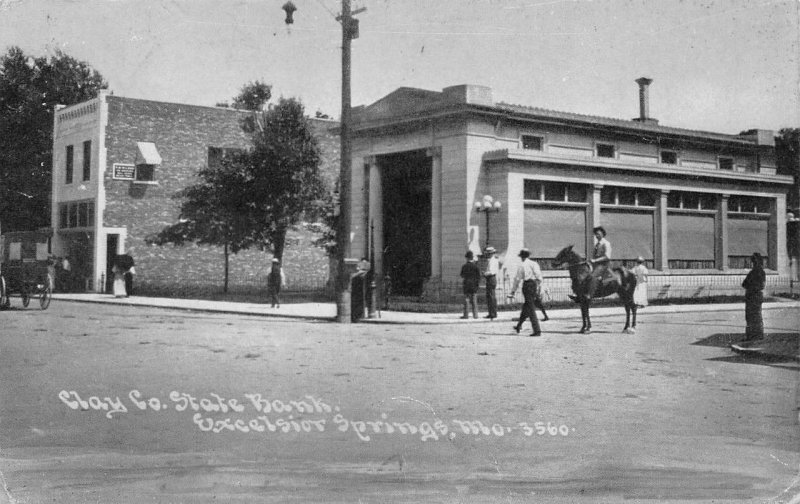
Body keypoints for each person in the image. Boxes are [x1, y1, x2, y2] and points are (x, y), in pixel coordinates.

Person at [508, 248, 543, 336]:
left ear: (521, 257)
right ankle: (519, 325)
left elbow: (517, 279)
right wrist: (539, 287)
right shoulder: (534, 263)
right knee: (526, 306)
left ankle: (537, 330)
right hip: (534, 284)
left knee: (530, 308)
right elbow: (539, 276)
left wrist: (513, 291)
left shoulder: (522, 265)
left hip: (527, 285)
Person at [741, 252, 766, 342]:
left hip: (753, 296)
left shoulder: (754, 272)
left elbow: (745, 284)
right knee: (756, 316)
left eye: (754, 261)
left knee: (752, 317)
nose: (753, 263)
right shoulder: (761, 272)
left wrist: (751, 286)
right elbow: (745, 283)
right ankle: (757, 335)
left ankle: (752, 336)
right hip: (756, 296)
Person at [460, 250, 481, 319]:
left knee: (467, 300)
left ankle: (466, 315)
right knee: (474, 300)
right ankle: (475, 315)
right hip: (474, 284)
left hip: (467, 284)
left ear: (467, 258)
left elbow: (462, 275)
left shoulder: (464, 266)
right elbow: (479, 276)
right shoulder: (476, 266)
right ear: (472, 258)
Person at [482, 246, 499, 319]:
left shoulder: (492, 261)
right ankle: (492, 312)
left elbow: (492, 271)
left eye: (488, 253)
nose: (487, 255)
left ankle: (492, 313)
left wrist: (485, 273)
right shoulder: (493, 260)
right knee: (491, 296)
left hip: (491, 278)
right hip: (491, 278)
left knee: (491, 296)